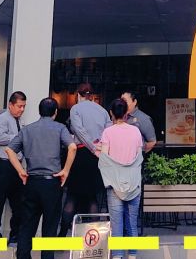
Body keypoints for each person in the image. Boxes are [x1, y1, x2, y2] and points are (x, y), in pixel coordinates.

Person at [5, 97, 77, 259]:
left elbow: (9, 150)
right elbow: (72, 147)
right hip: (52, 183)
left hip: (32, 182)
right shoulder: (60, 128)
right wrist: (65, 171)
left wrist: (21, 171)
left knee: (27, 224)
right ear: (55, 112)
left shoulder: (28, 129)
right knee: (50, 227)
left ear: (39, 111)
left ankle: (23, 256)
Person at [96, 99, 143, 259]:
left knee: (117, 224)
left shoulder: (107, 132)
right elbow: (138, 156)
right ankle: (133, 255)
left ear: (111, 113)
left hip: (114, 185)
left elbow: (104, 159)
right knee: (132, 223)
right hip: (134, 183)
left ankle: (117, 255)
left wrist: (98, 150)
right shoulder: (136, 132)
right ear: (126, 113)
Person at [64, 81, 108, 229]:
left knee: (72, 196)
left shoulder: (75, 109)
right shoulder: (102, 110)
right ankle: (94, 233)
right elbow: (108, 130)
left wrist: (92, 147)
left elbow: (79, 130)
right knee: (92, 197)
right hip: (97, 157)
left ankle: (62, 233)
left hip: (81, 154)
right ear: (92, 96)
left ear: (78, 95)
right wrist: (99, 146)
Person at [0, 92, 27, 242]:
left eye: (23, 106)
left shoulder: (19, 121)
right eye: (19, 106)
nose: (22, 109)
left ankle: (15, 233)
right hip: (3, 164)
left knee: (18, 201)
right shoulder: (2, 119)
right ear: (10, 105)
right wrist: (18, 137)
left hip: (16, 165)